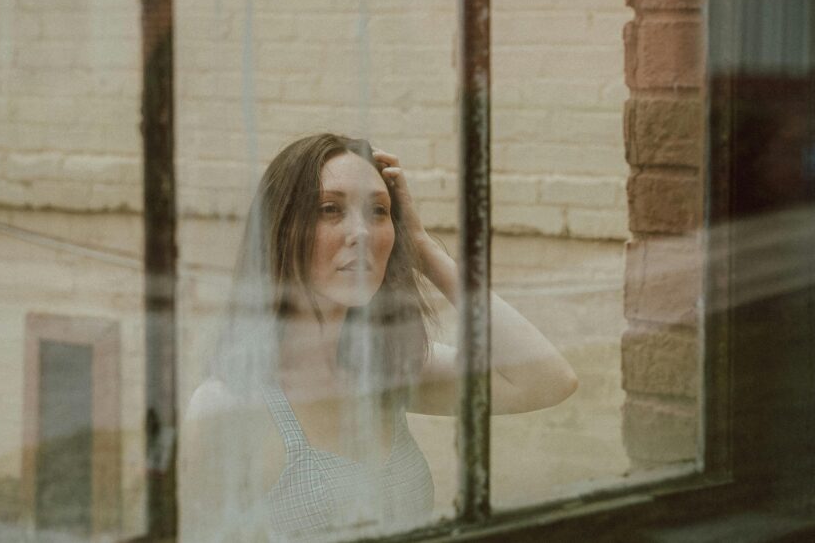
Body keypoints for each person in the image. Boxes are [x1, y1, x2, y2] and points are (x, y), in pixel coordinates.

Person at [180, 134, 578, 542]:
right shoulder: (227, 406)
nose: (362, 232)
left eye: (378, 212)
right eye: (330, 209)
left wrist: (421, 246)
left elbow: (548, 380)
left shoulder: (387, 370)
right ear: (280, 230)